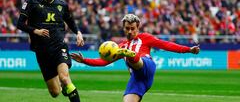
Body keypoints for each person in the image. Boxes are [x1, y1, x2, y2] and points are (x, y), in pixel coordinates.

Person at [71, 14, 200, 102]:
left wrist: (188, 49)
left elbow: (166, 45)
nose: (130, 31)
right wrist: (84, 60)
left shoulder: (145, 38)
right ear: (123, 28)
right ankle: (131, 56)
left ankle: (132, 55)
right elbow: (104, 62)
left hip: (146, 66)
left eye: (133, 29)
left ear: (138, 28)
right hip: (138, 79)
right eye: (127, 28)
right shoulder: (120, 47)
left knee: (133, 58)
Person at [17, 0, 84, 102]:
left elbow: (71, 22)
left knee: (65, 78)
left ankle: (66, 86)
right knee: (55, 92)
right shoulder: (32, 2)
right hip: (42, 50)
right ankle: (63, 87)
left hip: (59, 47)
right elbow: (20, 24)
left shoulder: (62, 5)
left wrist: (78, 33)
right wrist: (35, 31)